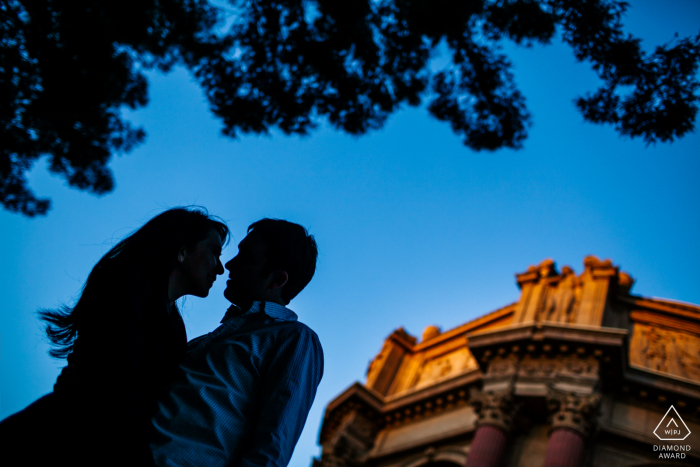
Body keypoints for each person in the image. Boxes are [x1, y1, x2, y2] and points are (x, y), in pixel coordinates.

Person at [0, 207, 230, 466]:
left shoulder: (174, 326)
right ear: (183, 250)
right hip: (55, 441)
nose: (220, 269)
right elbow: (119, 381)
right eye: (214, 253)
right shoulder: (122, 281)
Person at [151, 218, 323, 467]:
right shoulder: (203, 342)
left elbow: (271, 451)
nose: (229, 265)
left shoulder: (293, 339)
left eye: (247, 258)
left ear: (277, 280)